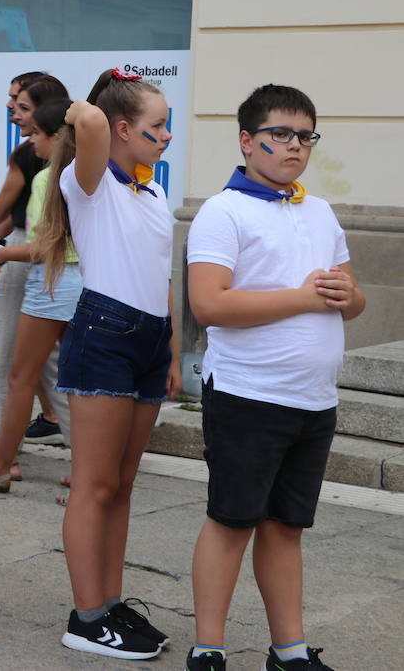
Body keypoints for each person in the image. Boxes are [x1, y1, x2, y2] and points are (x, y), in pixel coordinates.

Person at [184, 85, 364, 671]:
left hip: (314, 400)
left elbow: (349, 299)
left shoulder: (319, 210)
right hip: (247, 394)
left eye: (304, 136)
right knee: (231, 521)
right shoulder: (223, 211)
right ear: (247, 140)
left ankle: (289, 652)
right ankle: (208, 647)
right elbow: (208, 305)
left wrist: (349, 295)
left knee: (287, 527)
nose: (295, 146)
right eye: (280, 135)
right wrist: (304, 298)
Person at [36, 69, 181, 660]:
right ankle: (87, 615)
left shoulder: (151, 188)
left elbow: (162, 275)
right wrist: (87, 96)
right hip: (106, 333)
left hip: (148, 339)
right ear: (123, 129)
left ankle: (111, 603)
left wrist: (171, 352)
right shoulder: (85, 182)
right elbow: (90, 119)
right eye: (157, 126)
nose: (168, 135)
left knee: (122, 485)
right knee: (94, 486)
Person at [0, 98, 75, 492]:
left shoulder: (47, 179)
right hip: (83, 285)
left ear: (56, 135)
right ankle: (87, 470)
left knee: (20, 376)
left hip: (50, 283)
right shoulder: (85, 176)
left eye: (36, 132)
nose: (29, 139)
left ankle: (1, 465)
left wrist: (2, 252)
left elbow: (45, 245)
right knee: (74, 381)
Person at [0, 73, 70, 452]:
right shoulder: (77, 160)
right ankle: (81, 451)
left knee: (9, 360)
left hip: (26, 254)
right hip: (65, 266)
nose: (13, 113)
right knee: (55, 363)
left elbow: (4, 208)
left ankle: (4, 454)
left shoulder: (29, 157)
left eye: (23, 107)